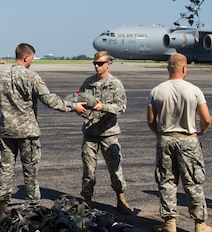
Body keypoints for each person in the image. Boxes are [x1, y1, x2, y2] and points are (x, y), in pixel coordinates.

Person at [0, 43, 86, 212]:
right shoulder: (32, 77)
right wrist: (73, 106)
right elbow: (50, 100)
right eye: (32, 59)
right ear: (26, 57)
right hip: (27, 131)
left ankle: (3, 205)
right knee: (30, 170)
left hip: (6, 129)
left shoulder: (0, 76)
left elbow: (1, 101)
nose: (32, 62)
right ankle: (31, 207)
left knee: (5, 169)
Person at [147, 53, 212, 232]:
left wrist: (159, 135)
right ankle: (200, 224)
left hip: (165, 139)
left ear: (168, 68)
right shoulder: (194, 90)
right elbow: (206, 118)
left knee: (167, 182)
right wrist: (202, 130)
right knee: (193, 182)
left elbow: (151, 119)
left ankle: (169, 224)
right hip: (188, 140)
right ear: (184, 69)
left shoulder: (157, 91)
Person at [78, 51, 132, 215]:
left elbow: (121, 107)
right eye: (95, 63)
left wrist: (104, 107)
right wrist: (78, 107)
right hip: (90, 133)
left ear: (109, 64)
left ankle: (121, 198)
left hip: (109, 133)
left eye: (100, 63)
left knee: (115, 169)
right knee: (88, 170)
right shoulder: (88, 83)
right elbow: (78, 98)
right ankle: (87, 199)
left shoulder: (115, 84)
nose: (97, 66)